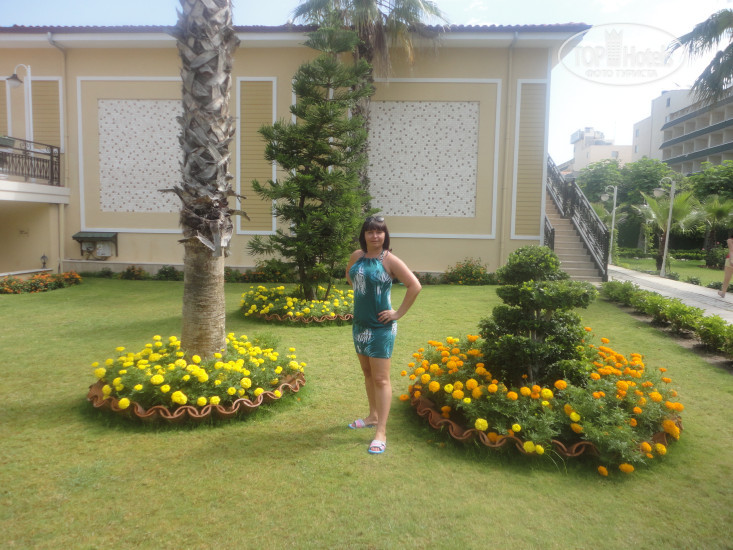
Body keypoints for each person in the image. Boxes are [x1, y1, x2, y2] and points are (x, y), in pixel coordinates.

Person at [345, 216, 422, 455]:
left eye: (379, 232)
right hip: (360, 325)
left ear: (385, 235)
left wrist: (397, 313)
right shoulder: (357, 256)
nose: (375, 236)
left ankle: (381, 431)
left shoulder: (389, 260)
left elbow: (415, 285)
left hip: (381, 327)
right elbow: (350, 277)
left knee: (381, 378)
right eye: (370, 231)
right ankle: (372, 416)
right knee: (367, 373)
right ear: (364, 235)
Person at [718, 232, 733, 298]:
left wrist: (731, 260)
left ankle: (723, 293)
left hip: (730, 259)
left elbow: (731, 250)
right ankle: (723, 293)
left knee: (727, 278)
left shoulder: (730, 240)